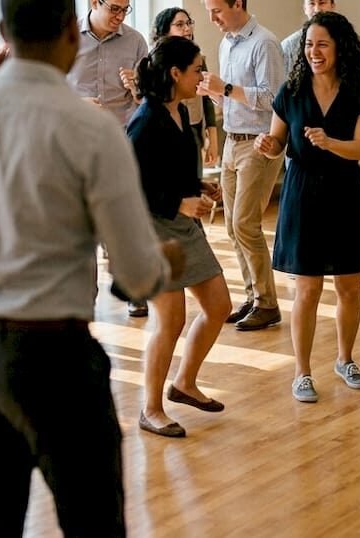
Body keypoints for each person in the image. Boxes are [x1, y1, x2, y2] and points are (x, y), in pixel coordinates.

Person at [0, 0, 181, 535]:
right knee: (93, 523)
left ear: (2, 33)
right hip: (53, 353)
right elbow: (136, 274)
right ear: (70, 32)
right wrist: (163, 264)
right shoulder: (93, 129)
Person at [254, 11, 360, 402]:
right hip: (302, 192)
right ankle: (302, 372)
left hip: (344, 191)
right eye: (309, 44)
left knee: (349, 286)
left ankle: (345, 359)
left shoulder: (359, 91)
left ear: (340, 48)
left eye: (322, 44)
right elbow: (278, 142)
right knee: (307, 289)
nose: (314, 51)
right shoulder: (291, 91)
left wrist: (329, 142)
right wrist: (268, 146)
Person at [127, 36, 230, 437]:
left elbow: (170, 170)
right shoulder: (144, 121)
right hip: (150, 229)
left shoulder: (182, 111)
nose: (203, 75)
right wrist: (178, 202)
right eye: (197, 69)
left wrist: (199, 188)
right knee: (170, 320)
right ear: (175, 73)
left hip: (183, 226)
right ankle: (150, 409)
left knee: (219, 306)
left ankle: (184, 383)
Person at [198, 0, 286, 331]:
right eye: (209, 12)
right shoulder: (226, 44)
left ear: (238, 4)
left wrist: (226, 88)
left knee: (244, 224)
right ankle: (253, 296)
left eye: (217, 11)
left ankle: (268, 303)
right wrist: (214, 94)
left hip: (259, 142)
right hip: (232, 140)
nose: (212, 19)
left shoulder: (265, 43)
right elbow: (232, 98)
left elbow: (273, 98)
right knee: (232, 228)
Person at [66, 0, 148, 126]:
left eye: (125, 10)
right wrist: (77, 103)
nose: (121, 17)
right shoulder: (66, 37)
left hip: (121, 133)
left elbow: (148, 99)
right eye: (115, 9)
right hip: (76, 128)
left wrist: (137, 88)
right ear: (94, 2)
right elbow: (49, 90)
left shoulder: (136, 41)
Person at [148, 7, 220, 173]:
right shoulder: (155, 62)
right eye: (180, 25)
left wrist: (212, 139)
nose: (187, 29)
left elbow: (207, 98)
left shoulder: (197, 58)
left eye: (188, 23)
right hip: (165, 130)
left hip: (194, 128)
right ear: (164, 30)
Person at [280, 0, 336, 73]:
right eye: (312, 3)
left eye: (322, 3)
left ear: (332, 6)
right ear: (305, 9)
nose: (317, 9)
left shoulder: (348, 41)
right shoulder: (289, 47)